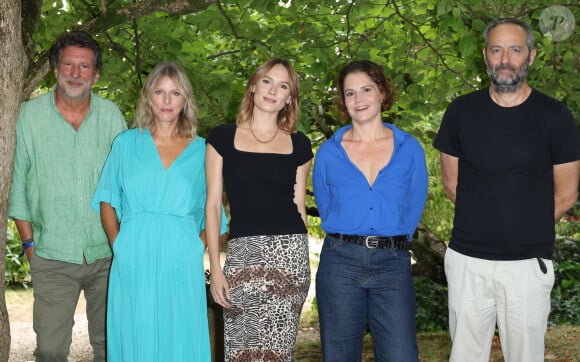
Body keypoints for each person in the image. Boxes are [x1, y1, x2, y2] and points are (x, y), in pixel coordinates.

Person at [434, 18, 580, 362]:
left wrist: (524, 230)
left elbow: (566, 193)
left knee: (526, 357)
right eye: (497, 50)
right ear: (485, 55)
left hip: (528, 265)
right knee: (465, 355)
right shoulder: (460, 112)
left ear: (530, 56)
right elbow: (452, 184)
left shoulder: (555, 116)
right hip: (468, 261)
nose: (505, 59)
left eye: (514, 50)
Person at [91, 61, 225, 361]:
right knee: (135, 333)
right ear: (148, 96)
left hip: (181, 258)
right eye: (160, 92)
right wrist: (119, 244)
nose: (167, 101)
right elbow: (106, 200)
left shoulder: (204, 150)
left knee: (180, 334)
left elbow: (214, 211)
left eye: (175, 93)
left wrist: (195, 246)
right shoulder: (125, 144)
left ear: (185, 100)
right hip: (133, 255)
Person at [8, 30, 126, 361]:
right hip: (51, 252)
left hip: (106, 253)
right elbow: (18, 183)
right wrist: (29, 245)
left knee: (110, 345)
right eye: (68, 65)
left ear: (96, 74)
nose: (75, 74)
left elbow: (126, 183)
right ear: (56, 68)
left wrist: (123, 243)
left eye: (84, 66)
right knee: (49, 350)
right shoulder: (29, 116)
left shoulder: (112, 116)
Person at [312, 60, 428, 362]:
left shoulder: (409, 148)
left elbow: (414, 205)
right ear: (343, 101)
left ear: (381, 93)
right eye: (350, 94)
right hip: (340, 263)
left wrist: (393, 242)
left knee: (401, 356)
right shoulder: (328, 152)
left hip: (393, 263)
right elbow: (327, 206)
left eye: (366, 89)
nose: (358, 99)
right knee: (339, 356)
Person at [205, 58, 313, 361]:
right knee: (241, 351)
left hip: (290, 255)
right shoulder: (222, 138)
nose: (272, 90)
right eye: (266, 81)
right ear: (253, 86)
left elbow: (299, 206)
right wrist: (216, 269)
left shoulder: (299, 145)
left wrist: (302, 263)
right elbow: (213, 206)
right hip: (243, 255)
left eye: (283, 86)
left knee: (278, 354)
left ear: (289, 98)